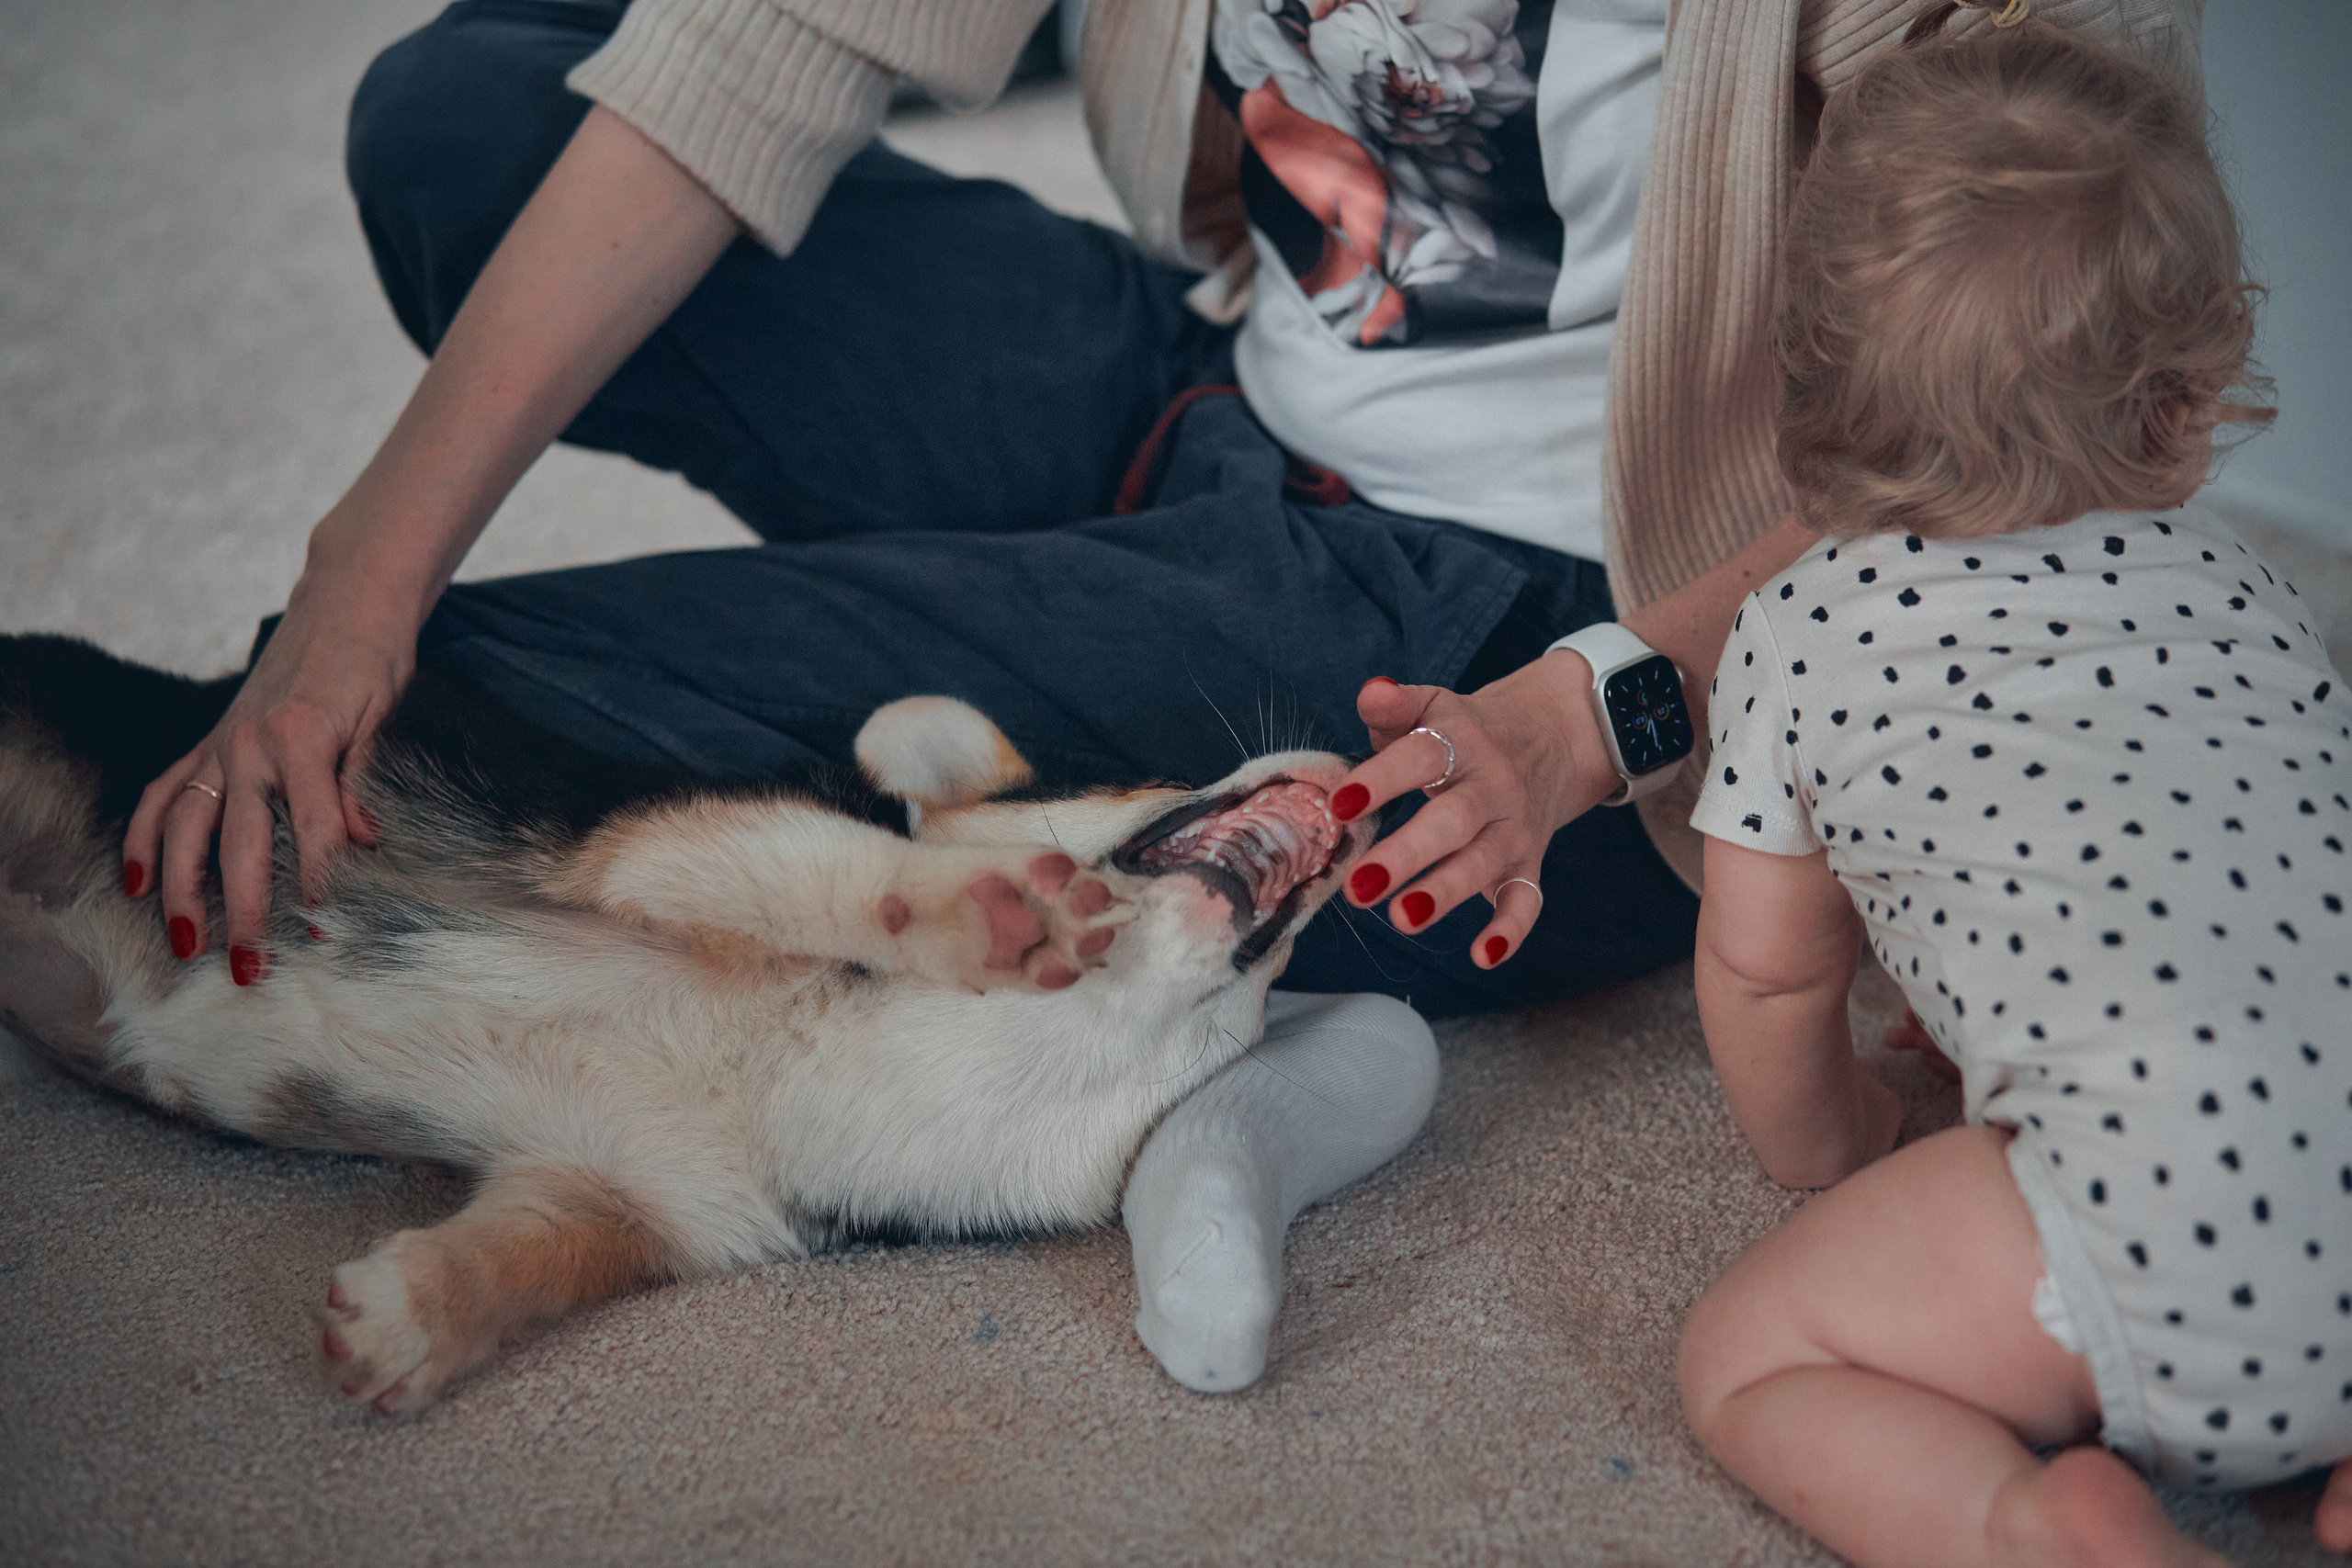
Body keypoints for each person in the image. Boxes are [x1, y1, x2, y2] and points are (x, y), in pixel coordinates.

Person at [114, 0, 2200, 1393]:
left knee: (506, 712)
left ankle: (1214, 1035)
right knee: (467, 125)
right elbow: (767, 41)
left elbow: (2065, 393)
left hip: (1556, 624)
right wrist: (347, 586)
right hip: (1214, 396)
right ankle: (1225, 997)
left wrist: (1594, 714)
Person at [1675, 28, 2350, 1565]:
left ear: (1810, 375)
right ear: (2191, 393)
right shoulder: (2256, 593)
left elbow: (1770, 970)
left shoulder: (1798, 631)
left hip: (2159, 1236)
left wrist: (1839, 1138)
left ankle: (2025, 1522)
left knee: (1747, 1359)